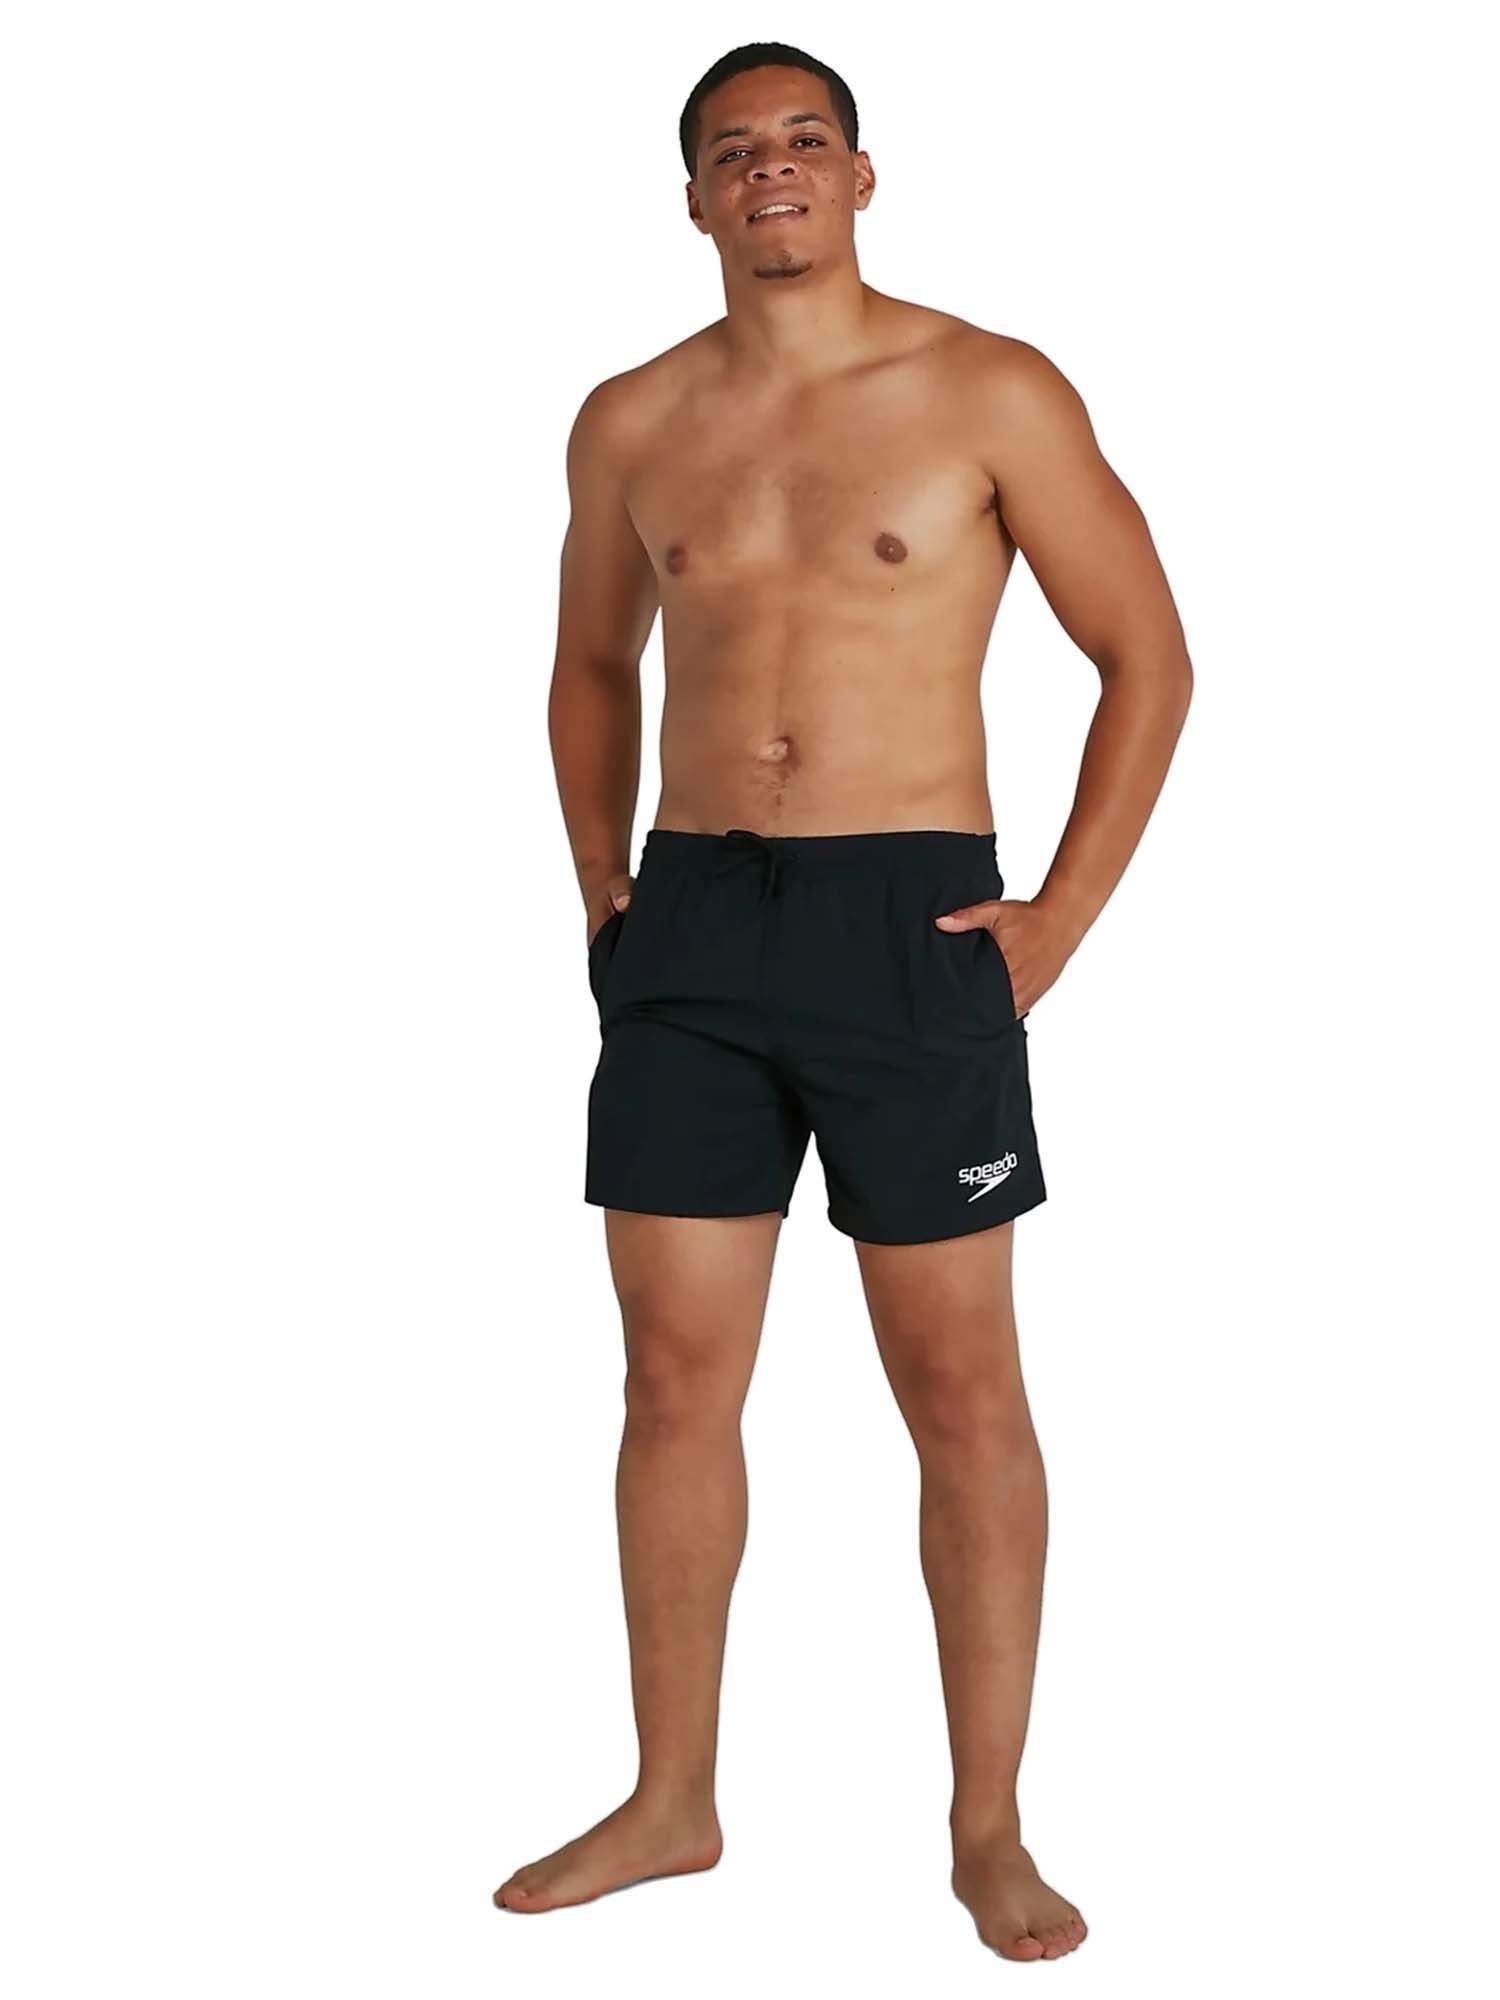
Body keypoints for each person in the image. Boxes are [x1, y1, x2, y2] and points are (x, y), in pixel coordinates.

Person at [494, 41, 1192, 1963]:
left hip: (911, 919)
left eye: (805, 140)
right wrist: (601, 883)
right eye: (735, 151)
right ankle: (673, 1799)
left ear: (863, 177)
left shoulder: (988, 389)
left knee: (958, 1387)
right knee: (669, 1378)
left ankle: (988, 1827)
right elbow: (588, 663)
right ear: (694, 199)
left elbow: (1148, 654)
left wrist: (1059, 919)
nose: (772, 170)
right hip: (694, 924)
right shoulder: (631, 420)